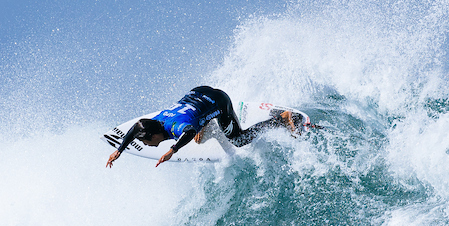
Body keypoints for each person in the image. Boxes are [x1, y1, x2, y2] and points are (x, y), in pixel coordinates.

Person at [106, 85, 306, 168]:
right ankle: (205, 122)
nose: (147, 144)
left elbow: (189, 131)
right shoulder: (157, 120)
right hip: (198, 92)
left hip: (218, 102)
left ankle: (281, 119)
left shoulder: (175, 127)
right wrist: (119, 150)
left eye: (146, 141)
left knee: (240, 140)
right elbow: (135, 128)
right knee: (197, 120)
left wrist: (172, 150)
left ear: (155, 134)